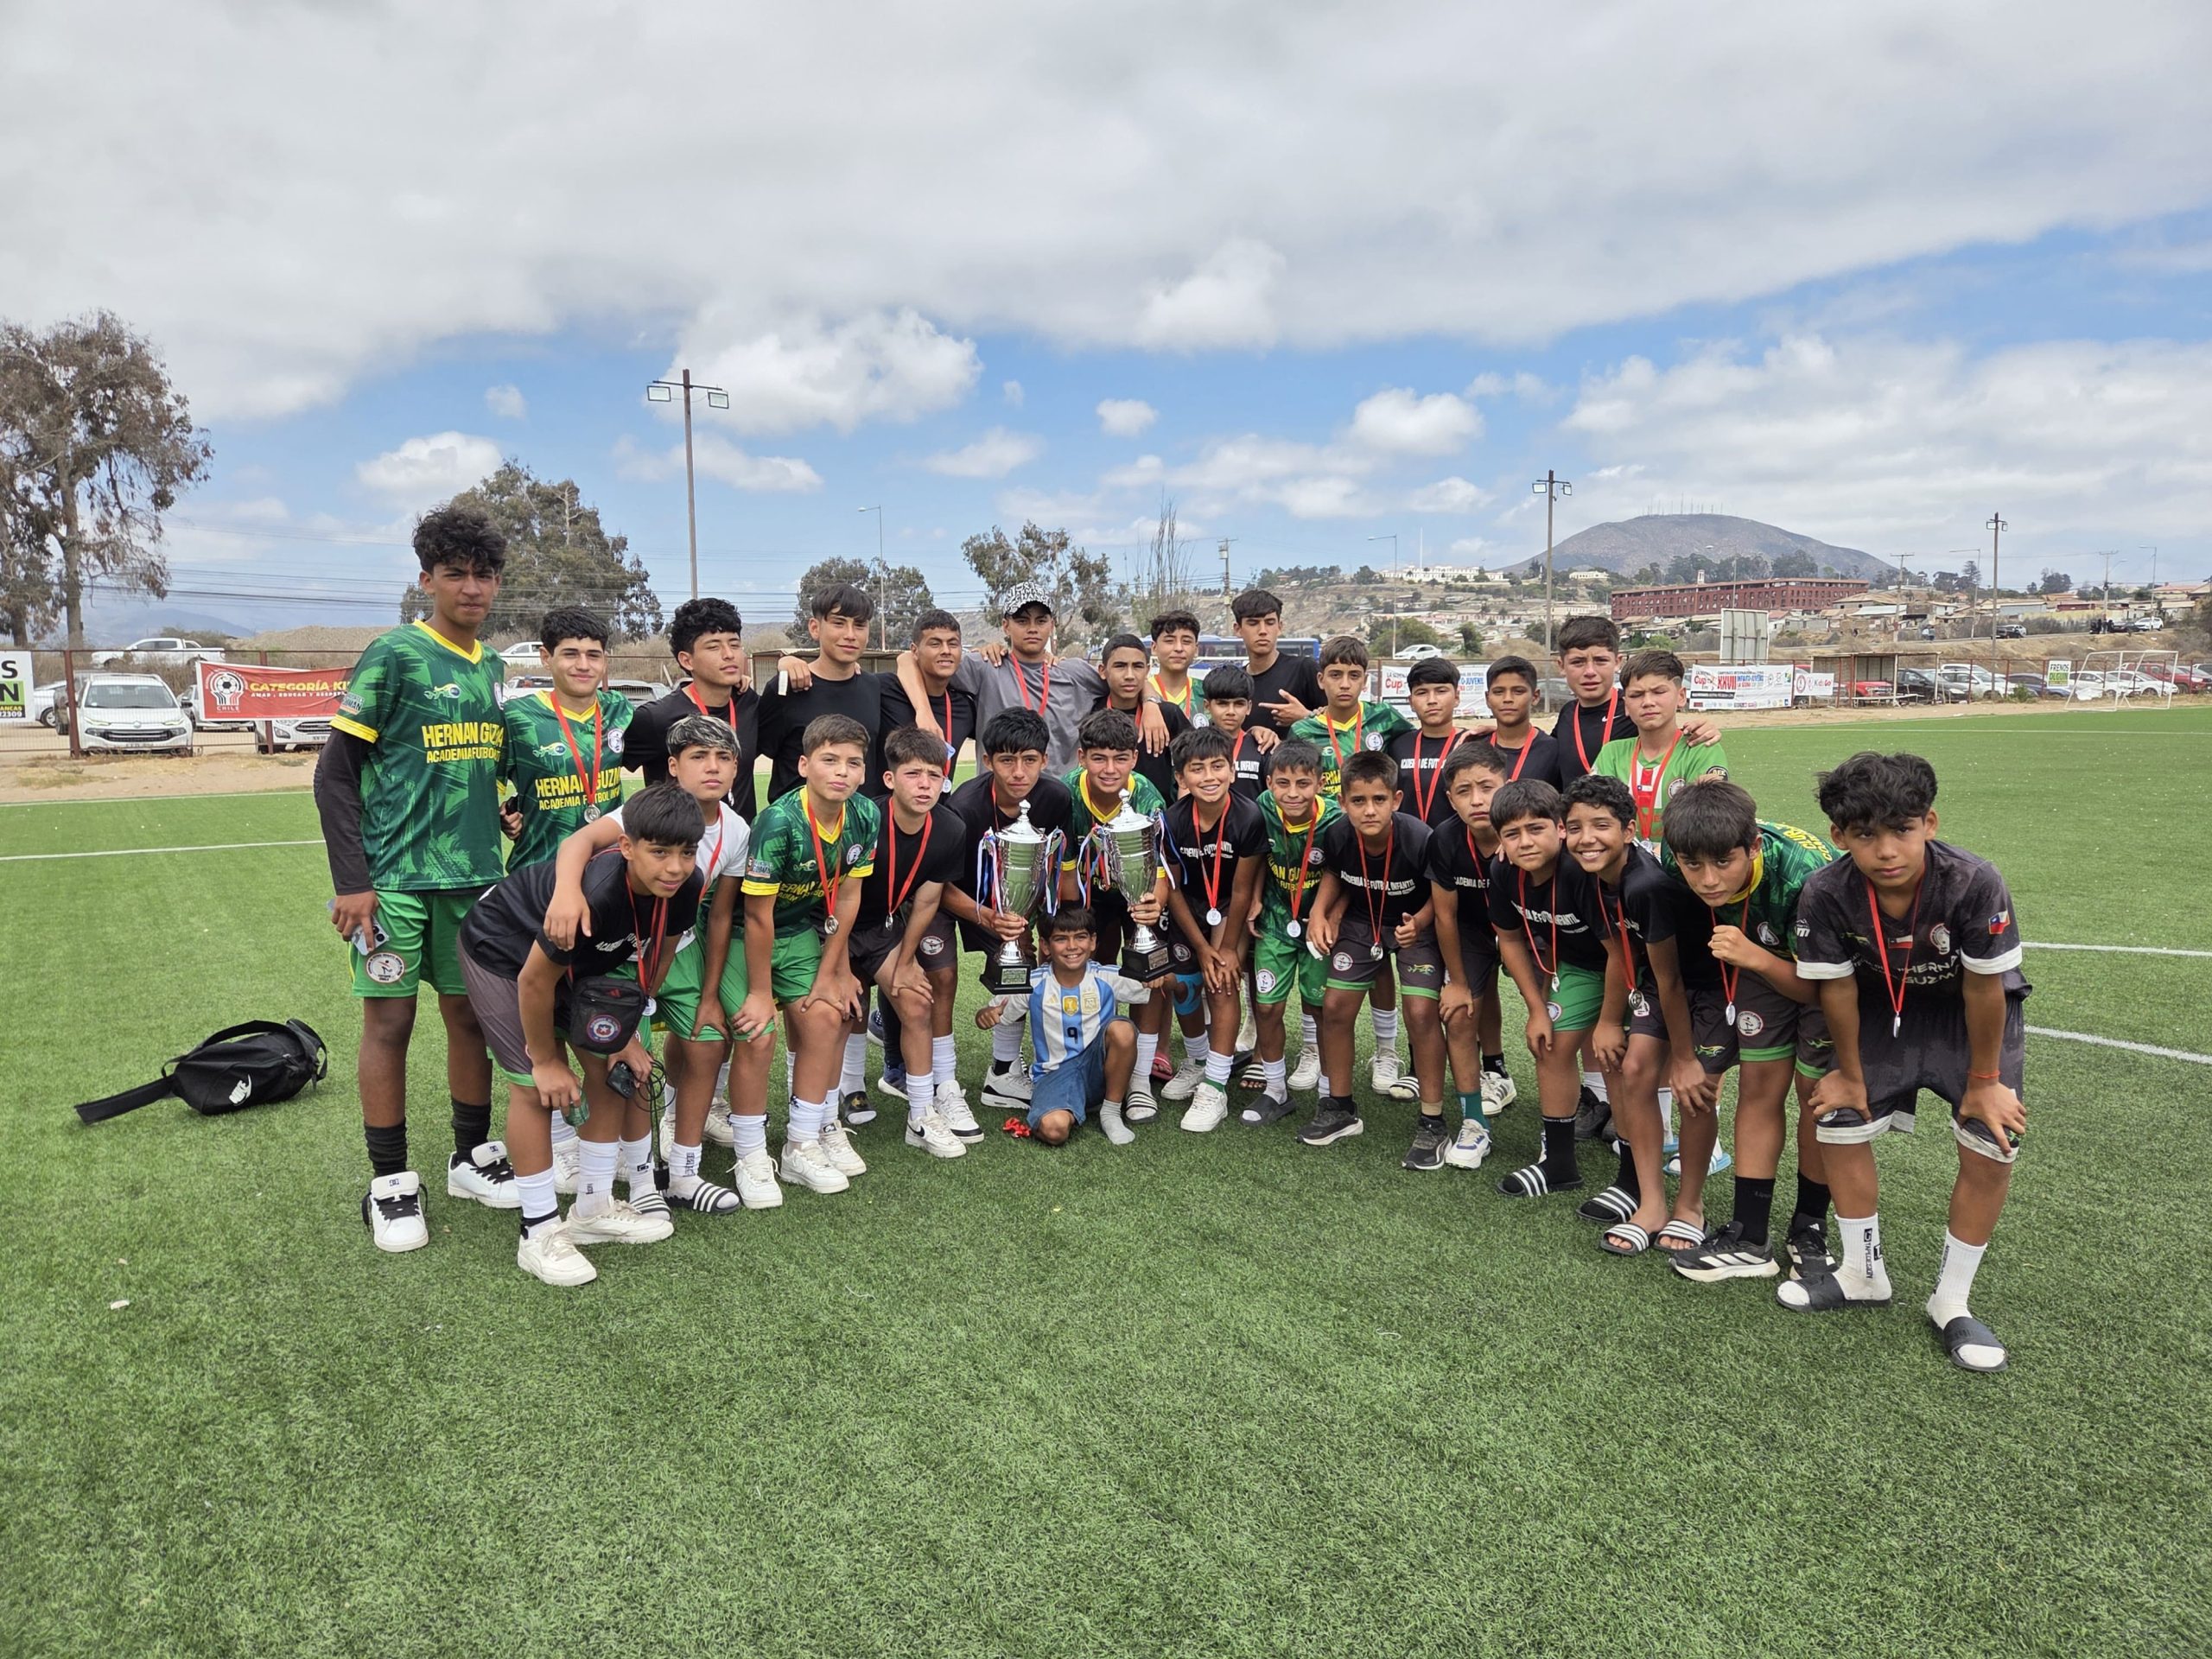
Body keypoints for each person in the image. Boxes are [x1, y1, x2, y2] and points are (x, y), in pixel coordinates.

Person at [1778, 753, 2028, 1374]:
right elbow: (1837, 989)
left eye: (1902, 830)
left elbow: (1985, 987)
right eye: (1865, 834)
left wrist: (1985, 1082)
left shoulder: (1974, 881)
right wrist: (1849, 1073)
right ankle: (1863, 1273)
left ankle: (1952, 1300)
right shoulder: (1825, 891)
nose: (1887, 850)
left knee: (1993, 1137)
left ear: (1930, 824)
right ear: (1839, 836)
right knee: (1837, 1118)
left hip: (1966, 1015)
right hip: (1877, 1009)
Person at [316, 504, 514, 1253]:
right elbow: (335, 775)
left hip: (475, 879)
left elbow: (475, 764)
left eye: (484, 575)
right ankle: (391, 1183)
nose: (472, 588)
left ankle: (469, 1157)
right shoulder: (394, 654)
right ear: (427, 580)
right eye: (456, 574)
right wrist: (353, 881)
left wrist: (505, 810)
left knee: (471, 1020)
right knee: (390, 1023)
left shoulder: (493, 667)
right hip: (393, 880)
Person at [455, 780, 703, 1286]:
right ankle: (538, 1231)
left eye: (687, 852)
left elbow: (658, 956)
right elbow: (533, 982)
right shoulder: (597, 892)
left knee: (612, 1067)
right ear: (627, 847)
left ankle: (592, 1208)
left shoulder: (686, 884)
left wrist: (625, 1034)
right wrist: (547, 1061)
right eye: (659, 852)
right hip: (503, 952)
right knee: (535, 1088)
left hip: (573, 966)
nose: (675, 867)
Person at [544, 716, 769, 1214]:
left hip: (676, 947)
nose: (712, 768)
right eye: (698, 757)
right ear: (672, 765)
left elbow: (720, 915)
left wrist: (709, 996)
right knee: (626, 1059)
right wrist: (566, 892)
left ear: (738, 768)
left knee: (708, 1041)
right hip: (617, 950)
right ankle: (632, 1172)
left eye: (724, 758)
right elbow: (578, 842)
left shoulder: (737, 829)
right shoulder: (645, 811)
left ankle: (684, 1172)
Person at [1658, 780, 1840, 1283]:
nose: (1707, 879)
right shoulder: (1675, 857)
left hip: (1825, 977)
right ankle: (1749, 1236)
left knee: (1816, 1096)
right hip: (1757, 961)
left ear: (1754, 846)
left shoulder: (1808, 881)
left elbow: (1822, 989)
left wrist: (1755, 958)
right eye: (1693, 864)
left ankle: (1809, 1228)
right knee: (1759, 1089)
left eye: (1723, 863)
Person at [1562, 773, 1721, 1256]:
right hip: (1656, 980)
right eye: (1575, 827)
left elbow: (1672, 980)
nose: (1587, 838)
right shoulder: (1587, 877)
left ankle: (1689, 1207)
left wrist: (1685, 1059)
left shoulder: (1646, 885)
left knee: (1695, 1090)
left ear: (1629, 831)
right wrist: (1609, 1021)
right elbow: (1618, 951)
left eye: (1601, 825)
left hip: (1707, 983)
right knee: (1633, 1071)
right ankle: (1650, 1204)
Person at [735, 714, 881, 1195]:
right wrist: (761, 993)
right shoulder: (779, 821)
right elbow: (756, 915)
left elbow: (847, 898)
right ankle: (748, 1151)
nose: (842, 771)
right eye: (829, 760)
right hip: (742, 934)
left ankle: (802, 1142)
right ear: (803, 765)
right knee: (756, 1031)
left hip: (798, 929)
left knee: (827, 1015)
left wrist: (832, 971)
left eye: (853, 763)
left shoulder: (865, 814)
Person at [1301, 751, 1447, 1164]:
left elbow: (1441, 897)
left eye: (1379, 799)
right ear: (1343, 802)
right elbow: (1335, 874)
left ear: (1396, 800)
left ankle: (1433, 1122)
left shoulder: (1420, 838)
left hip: (1415, 925)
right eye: (1359, 801)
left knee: (1421, 1012)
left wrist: (1420, 922)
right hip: (1363, 922)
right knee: (1334, 1006)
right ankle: (1340, 1108)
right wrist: (1319, 912)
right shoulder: (1338, 834)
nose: (1369, 810)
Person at [1291, 633, 1416, 1103]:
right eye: (1336, 675)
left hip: (1377, 849)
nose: (1345, 684)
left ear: (1366, 680)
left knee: (1377, 952)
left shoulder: (1386, 720)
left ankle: (1386, 1051)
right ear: (1320, 679)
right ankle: (1311, 1048)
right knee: (1315, 947)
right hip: (1320, 851)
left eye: (1354, 675)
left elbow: (1423, 738)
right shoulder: (1303, 730)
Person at [938, 709, 1076, 1120]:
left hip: (1014, 904)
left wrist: (1051, 931)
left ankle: (1002, 1072)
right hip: (955, 896)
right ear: (987, 761)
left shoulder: (1056, 798)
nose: (1019, 772)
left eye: (1029, 760)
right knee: (936, 973)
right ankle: (917, 1069)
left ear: (1045, 760)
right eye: (1007, 760)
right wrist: (986, 917)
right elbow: (939, 885)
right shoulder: (964, 806)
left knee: (1023, 964)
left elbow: (1057, 872)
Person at [868, 607, 977, 1108]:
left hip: (934, 835)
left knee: (926, 963)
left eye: (953, 643)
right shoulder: (887, 689)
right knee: (877, 947)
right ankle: (883, 1071)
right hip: (885, 832)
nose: (946, 651)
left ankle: (932, 1078)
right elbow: (895, 662)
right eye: (934, 642)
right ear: (915, 650)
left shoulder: (966, 700)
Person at [843, 724, 969, 1158]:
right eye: (913, 774)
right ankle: (849, 1089)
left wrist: (906, 959)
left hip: (880, 927)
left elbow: (929, 898)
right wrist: (837, 965)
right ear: (889, 778)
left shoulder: (950, 828)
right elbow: (837, 893)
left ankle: (921, 1114)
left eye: (934, 775)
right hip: (832, 924)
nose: (925, 785)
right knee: (843, 1004)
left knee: (916, 1001)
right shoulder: (863, 818)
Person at [1485, 779, 1611, 1200]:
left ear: (1560, 827)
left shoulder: (1582, 870)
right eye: (1512, 834)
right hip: (1579, 968)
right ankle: (1558, 1164)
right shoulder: (1503, 870)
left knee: (1629, 1060)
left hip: (1633, 968)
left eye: (1536, 829)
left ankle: (1636, 1171)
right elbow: (1510, 939)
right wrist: (1537, 1008)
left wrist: (1611, 1021)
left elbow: (1622, 950)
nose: (1524, 842)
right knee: (1550, 1045)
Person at [893, 582, 1166, 774]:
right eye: (1022, 621)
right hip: (999, 801)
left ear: (1052, 624)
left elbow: (1128, 677)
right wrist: (923, 713)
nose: (1032, 628)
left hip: (1060, 802)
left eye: (1041, 620)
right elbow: (907, 660)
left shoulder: (1075, 673)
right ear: (1005, 625)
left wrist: (1152, 704)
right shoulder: (986, 666)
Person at [1058, 707, 1173, 1121]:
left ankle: (1139, 1079)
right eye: (1099, 758)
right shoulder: (1066, 794)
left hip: (1136, 893)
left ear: (1134, 758)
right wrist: (1075, 929)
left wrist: (1155, 903)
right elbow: (1065, 874)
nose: (1110, 769)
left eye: (1120, 758)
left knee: (1150, 967)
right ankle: (1089, 1058)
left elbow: (1162, 867)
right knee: (1088, 965)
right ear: (1082, 757)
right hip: (1086, 894)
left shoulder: (1149, 798)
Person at [1156, 726, 1266, 1132]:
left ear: (1232, 771)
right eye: (1197, 769)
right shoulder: (1172, 820)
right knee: (1184, 985)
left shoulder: (1248, 816)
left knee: (1221, 981)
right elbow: (1173, 889)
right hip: (1189, 909)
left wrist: (1227, 949)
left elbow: (1241, 890)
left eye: (1218, 766)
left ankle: (1215, 1087)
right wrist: (1202, 948)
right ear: (1181, 777)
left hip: (1229, 909)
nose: (1209, 777)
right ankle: (1198, 1060)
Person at [976, 906, 1149, 1147]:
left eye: (1080, 937)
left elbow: (1158, 985)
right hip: (1055, 1075)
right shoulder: (1033, 983)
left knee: (1122, 1029)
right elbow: (988, 1014)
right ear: (1045, 946)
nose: (1072, 946)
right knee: (1054, 1131)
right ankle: (1067, 1104)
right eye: (1061, 939)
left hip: (1099, 1071)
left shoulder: (1108, 977)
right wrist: (985, 1016)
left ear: (1092, 942)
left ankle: (1110, 1112)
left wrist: (1165, 979)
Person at [1425, 741, 1518, 1169]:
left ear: (1507, 785)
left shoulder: (1527, 832)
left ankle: (1567, 1117)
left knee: (1555, 1024)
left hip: (1529, 932)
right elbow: (1445, 916)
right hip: (1473, 932)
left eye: (1487, 787)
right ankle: (1474, 1121)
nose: (1477, 800)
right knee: (1460, 1014)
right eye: (1464, 791)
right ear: (1450, 799)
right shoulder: (1444, 838)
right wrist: (1458, 983)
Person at [1239, 740, 1336, 1124]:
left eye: (1303, 783)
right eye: (1283, 783)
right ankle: (1276, 1090)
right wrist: (1256, 898)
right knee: (1267, 1006)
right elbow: (1259, 855)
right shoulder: (1262, 808)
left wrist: (1327, 915)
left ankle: (1330, 1094)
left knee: (1320, 1008)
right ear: (1269, 783)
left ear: (1319, 784)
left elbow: (1342, 873)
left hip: (1317, 927)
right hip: (1276, 923)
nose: (1292, 793)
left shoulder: (1334, 820)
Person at [499, 607, 632, 871]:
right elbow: (479, 786)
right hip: (540, 871)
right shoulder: (517, 717)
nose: (583, 665)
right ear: (546, 657)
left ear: (605, 660)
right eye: (570, 654)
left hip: (607, 871)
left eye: (593, 655)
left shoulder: (620, 710)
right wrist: (504, 815)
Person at [625, 597, 761, 820]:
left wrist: (787, 664)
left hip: (739, 840)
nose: (729, 654)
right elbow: (602, 763)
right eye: (714, 647)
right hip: (678, 839)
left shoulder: (750, 704)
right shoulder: (656, 718)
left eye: (735, 644)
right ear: (687, 661)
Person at [755, 582, 887, 810]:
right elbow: (749, 754)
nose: (850, 635)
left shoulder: (873, 687)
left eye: (859, 625)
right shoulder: (785, 688)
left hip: (856, 827)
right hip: (797, 826)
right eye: (838, 623)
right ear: (815, 628)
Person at [1592, 648, 1730, 849]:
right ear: (1626, 705)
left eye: (1659, 692)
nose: (1648, 702)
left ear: (1681, 696)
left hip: (1680, 863)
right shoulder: (1611, 753)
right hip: (1625, 863)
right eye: (1636, 695)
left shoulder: (1702, 749)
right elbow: (1597, 816)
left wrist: (1660, 854)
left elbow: (1705, 822)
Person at [1388, 655, 1471, 828]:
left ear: (1457, 697)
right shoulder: (1397, 745)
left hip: (1456, 841)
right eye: (1422, 693)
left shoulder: (1472, 744)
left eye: (1441, 691)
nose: (1432, 700)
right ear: (1411, 702)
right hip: (1408, 840)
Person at [1231, 587, 1324, 741]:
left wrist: (1305, 717)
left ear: (1280, 627)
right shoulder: (1235, 683)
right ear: (1238, 629)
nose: (1263, 631)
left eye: (1270, 623)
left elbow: (1338, 726)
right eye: (1253, 623)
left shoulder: (1304, 670)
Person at [1479, 654, 1563, 789]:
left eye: (1518, 691)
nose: (1507, 699)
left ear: (1535, 697)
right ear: (1488, 698)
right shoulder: (1475, 747)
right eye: (1499, 692)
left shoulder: (1554, 751)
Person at [1201, 664, 1272, 802]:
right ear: (1207, 706)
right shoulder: (1194, 747)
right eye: (1222, 704)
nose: (1231, 712)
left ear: (1249, 707)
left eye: (1239, 704)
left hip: (1252, 816)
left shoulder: (1263, 747)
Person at [1147, 608, 1205, 725]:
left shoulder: (1207, 692)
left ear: (1196, 649)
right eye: (1169, 641)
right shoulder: (1142, 693)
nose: (1179, 648)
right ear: (1154, 648)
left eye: (1186, 641)